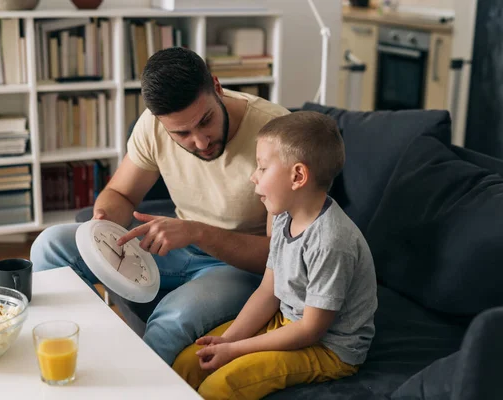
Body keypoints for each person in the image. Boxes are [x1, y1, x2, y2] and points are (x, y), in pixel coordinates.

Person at [29, 46, 291, 365]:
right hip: (175, 248)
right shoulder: (152, 127)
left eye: (205, 121)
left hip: (235, 268)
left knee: (172, 320)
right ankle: (82, 358)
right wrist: (103, 224)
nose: (200, 142)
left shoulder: (278, 136)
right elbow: (121, 195)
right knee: (50, 245)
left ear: (217, 87)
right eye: (181, 133)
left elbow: (278, 255)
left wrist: (197, 232)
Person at [172, 111, 378, 400]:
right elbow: (268, 291)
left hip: (328, 348)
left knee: (219, 387)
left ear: (297, 176)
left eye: (262, 168)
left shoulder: (332, 242)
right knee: (188, 363)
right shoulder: (282, 216)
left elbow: (310, 330)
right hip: (286, 321)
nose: (253, 176)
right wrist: (226, 341)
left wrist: (234, 351)